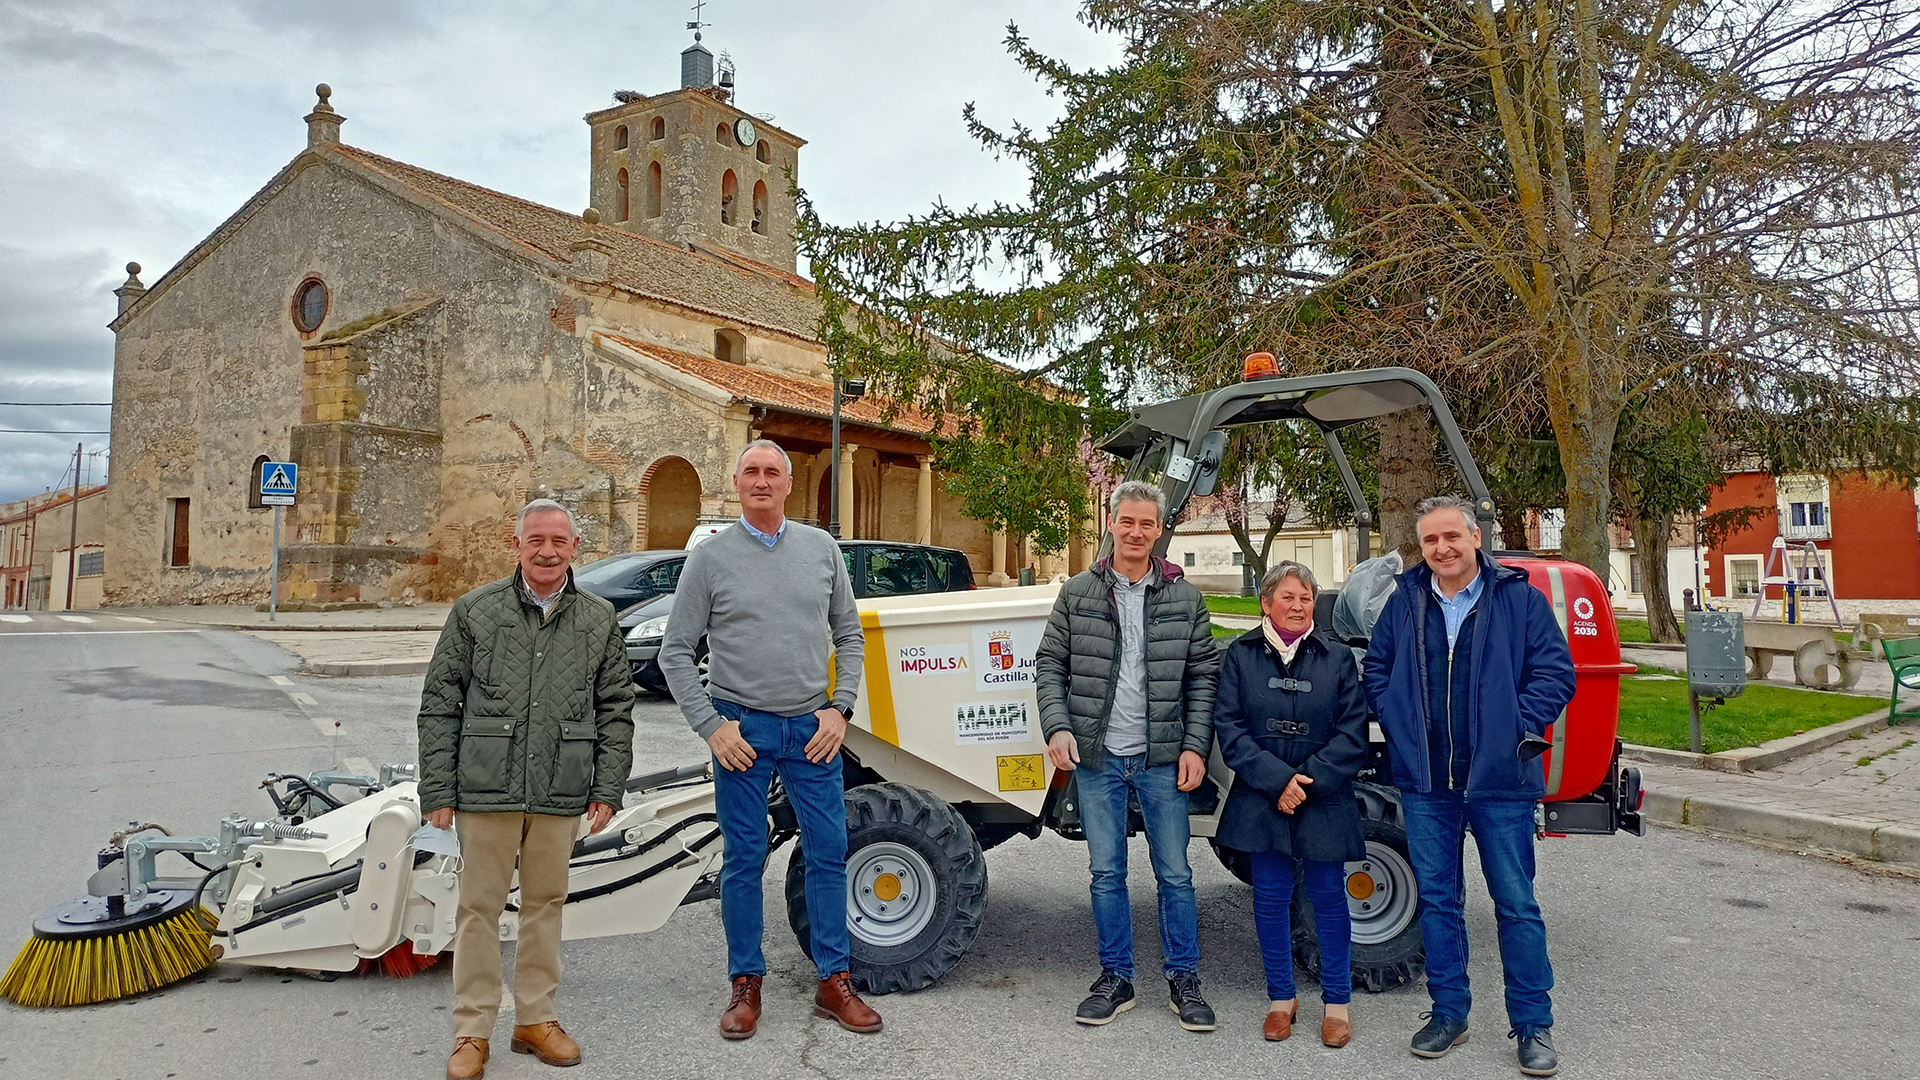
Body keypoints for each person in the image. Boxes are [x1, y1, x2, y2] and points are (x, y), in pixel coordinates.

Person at [660, 439, 880, 1041]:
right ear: (737, 484)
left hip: (813, 729)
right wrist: (711, 726)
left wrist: (840, 710)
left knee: (828, 852)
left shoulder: (821, 549)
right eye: (751, 472)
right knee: (744, 857)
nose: (762, 481)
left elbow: (850, 636)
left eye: (772, 473)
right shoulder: (710, 559)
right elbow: (675, 652)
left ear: (788, 484)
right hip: (741, 731)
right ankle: (745, 983)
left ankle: (834, 980)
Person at [417, 499, 635, 1080]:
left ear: (575, 548)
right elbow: (440, 704)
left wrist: (607, 787)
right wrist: (437, 790)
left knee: (546, 905)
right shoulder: (475, 611)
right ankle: (472, 1030)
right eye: (536, 540)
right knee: (478, 909)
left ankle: (536, 1018)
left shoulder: (598, 618)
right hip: (485, 785)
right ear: (516, 545)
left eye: (558, 541)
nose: (547, 551)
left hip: (562, 785)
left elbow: (616, 709)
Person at [1361, 495, 1576, 1078]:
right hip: (1427, 781)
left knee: (1516, 904)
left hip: (1501, 781)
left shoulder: (1519, 600)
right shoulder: (1405, 600)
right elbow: (1377, 670)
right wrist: (1399, 723)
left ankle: (1532, 1024)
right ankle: (1449, 1013)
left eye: (1451, 536)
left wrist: (1515, 728)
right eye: (1430, 540)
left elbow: (1556, 673)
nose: (1442, 548)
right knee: (1438, 902)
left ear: (1476, 536)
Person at [1034, 480, 1221, 1032]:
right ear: (1110, 524)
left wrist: (1195, 746)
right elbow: (1050, 665)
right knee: (1106, 873)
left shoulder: (1186, 599)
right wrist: (1057, 726)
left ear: (1159, 530)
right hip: (1099, 759)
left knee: (1176, 874)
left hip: (1162, 757)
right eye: (1127, 521)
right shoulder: (1077, 593)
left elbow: (1203, 677)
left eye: (1146, 523)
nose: (1136, 532)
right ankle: (1116, 979)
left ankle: (1184, 979)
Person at [1212, 560, 1367, 1047]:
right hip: (1263, 795)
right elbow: (1230, 729)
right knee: (1271, 897)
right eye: (1288, 597)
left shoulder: (1338, 658)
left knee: (1328, 897)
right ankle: (1281, 998)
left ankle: (1337, 1004)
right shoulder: (1239, 656)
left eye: (1306, 598)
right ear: (1266, 603)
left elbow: (1353, 734)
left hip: (1323, 794)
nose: (1298, 606)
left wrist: (1306, 783)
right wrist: (1278, 781)